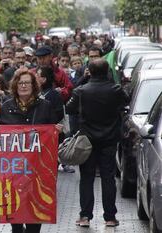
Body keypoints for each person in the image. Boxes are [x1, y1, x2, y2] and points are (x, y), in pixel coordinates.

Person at [0, 69, 61, 233]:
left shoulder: (45, 106)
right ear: (15, 86)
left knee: (35, 213)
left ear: (34, 85)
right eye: (20, 83)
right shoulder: (6, 107)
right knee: (15, 210)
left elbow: (53, 136)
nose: (23, 86)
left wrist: (57, 131)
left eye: (27, 83)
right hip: (13, 168)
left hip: (38, 168)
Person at [66, 59, 129, 228]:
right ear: (107, 71)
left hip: (87, 141)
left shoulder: (81, 91)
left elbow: (69, 109)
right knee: (108, 178)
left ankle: (85, 216)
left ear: (89, 71)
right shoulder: (115, 89)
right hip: (109, 140)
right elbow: (126, 101)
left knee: (86, 178)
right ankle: (110, 217)